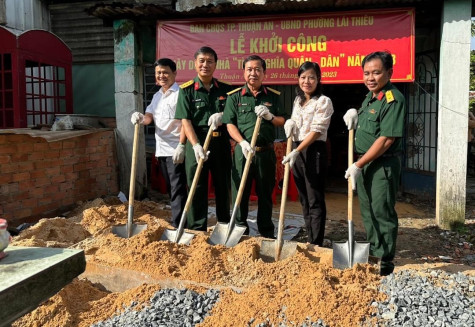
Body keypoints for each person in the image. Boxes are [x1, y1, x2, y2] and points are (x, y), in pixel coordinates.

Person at [343, 51, 406, 276]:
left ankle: (385, 263)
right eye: (366, 73)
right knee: (368, 211)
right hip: (366, 162)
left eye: (376, 73)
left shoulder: (393, 98)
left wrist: (358, 165)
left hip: (382, 165)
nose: (370, 78)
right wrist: (355, 117)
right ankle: (374, 252)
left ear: (389, 72)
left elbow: (387, 139)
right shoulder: (370, 97)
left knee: (382, 212)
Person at [222, 55, 287, 238]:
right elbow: (230, 124)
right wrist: (241, 142)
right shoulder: (234, 97)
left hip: (265, 153)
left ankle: (266, 232)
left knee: (265, 194)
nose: (253, 73)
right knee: (240, 193)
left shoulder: (272, 97)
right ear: (244, 72)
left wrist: (270, 117)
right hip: (243, 153)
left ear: (264, 73)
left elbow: (282, 120)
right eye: (249, 69)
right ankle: (240, 230)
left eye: (258, 69)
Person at [174, 47, 233, 231]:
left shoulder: (225, 89)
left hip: (220, 143)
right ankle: (197, 227)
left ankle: (224, 225)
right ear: (195, 63)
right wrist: (194, 145)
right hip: (197, 143)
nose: (205, 65)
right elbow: (186, 120)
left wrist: (222, 114)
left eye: (209, 61)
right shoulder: (187, 90)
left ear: (216, 64)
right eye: (202, 61)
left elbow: (233, 114)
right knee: (196, 186)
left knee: (223, 185)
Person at [131, 58, 187, 228]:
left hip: (176, 149)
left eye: (165, 72)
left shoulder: (181, 94)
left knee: (177, 188)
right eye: (158, 73)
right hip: (161, 149)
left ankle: (180, 225)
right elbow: (149, 117)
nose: (162, 76)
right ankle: (181, 218)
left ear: (174, 73)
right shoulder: (156, 96)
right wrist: (141, 118)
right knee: (171, 188)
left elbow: (186, 121)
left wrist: (182, 145)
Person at [282, 61, 334, 246]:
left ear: (318, 79)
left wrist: (297, 149)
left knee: (315, 199)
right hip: (296, 150)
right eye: (303, 77)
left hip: (313, 151)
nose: (307, 81)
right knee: (303, 198)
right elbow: (296, 123)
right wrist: (290, 125)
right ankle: (310, 236)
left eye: (311, 77)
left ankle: (316, 242)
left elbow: (317, 131)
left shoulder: (323, 101)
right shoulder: (298, 100)